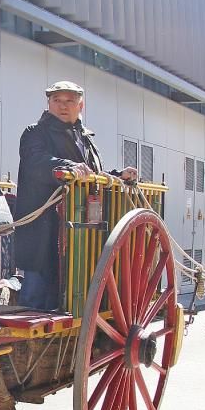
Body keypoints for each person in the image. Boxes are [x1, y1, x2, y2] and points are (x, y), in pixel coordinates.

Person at [14, 81, 137, 309]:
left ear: (81, 105)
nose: (62, 106)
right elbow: (37, 161)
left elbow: (92, 173)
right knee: (35, 301)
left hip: (78, 234)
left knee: (72, 299)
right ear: (48, 103)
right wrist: (68, 167)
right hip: (43, 228)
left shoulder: (86, 138)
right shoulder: (35, 133)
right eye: (56, 100)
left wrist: (118, 175)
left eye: (69, 100)